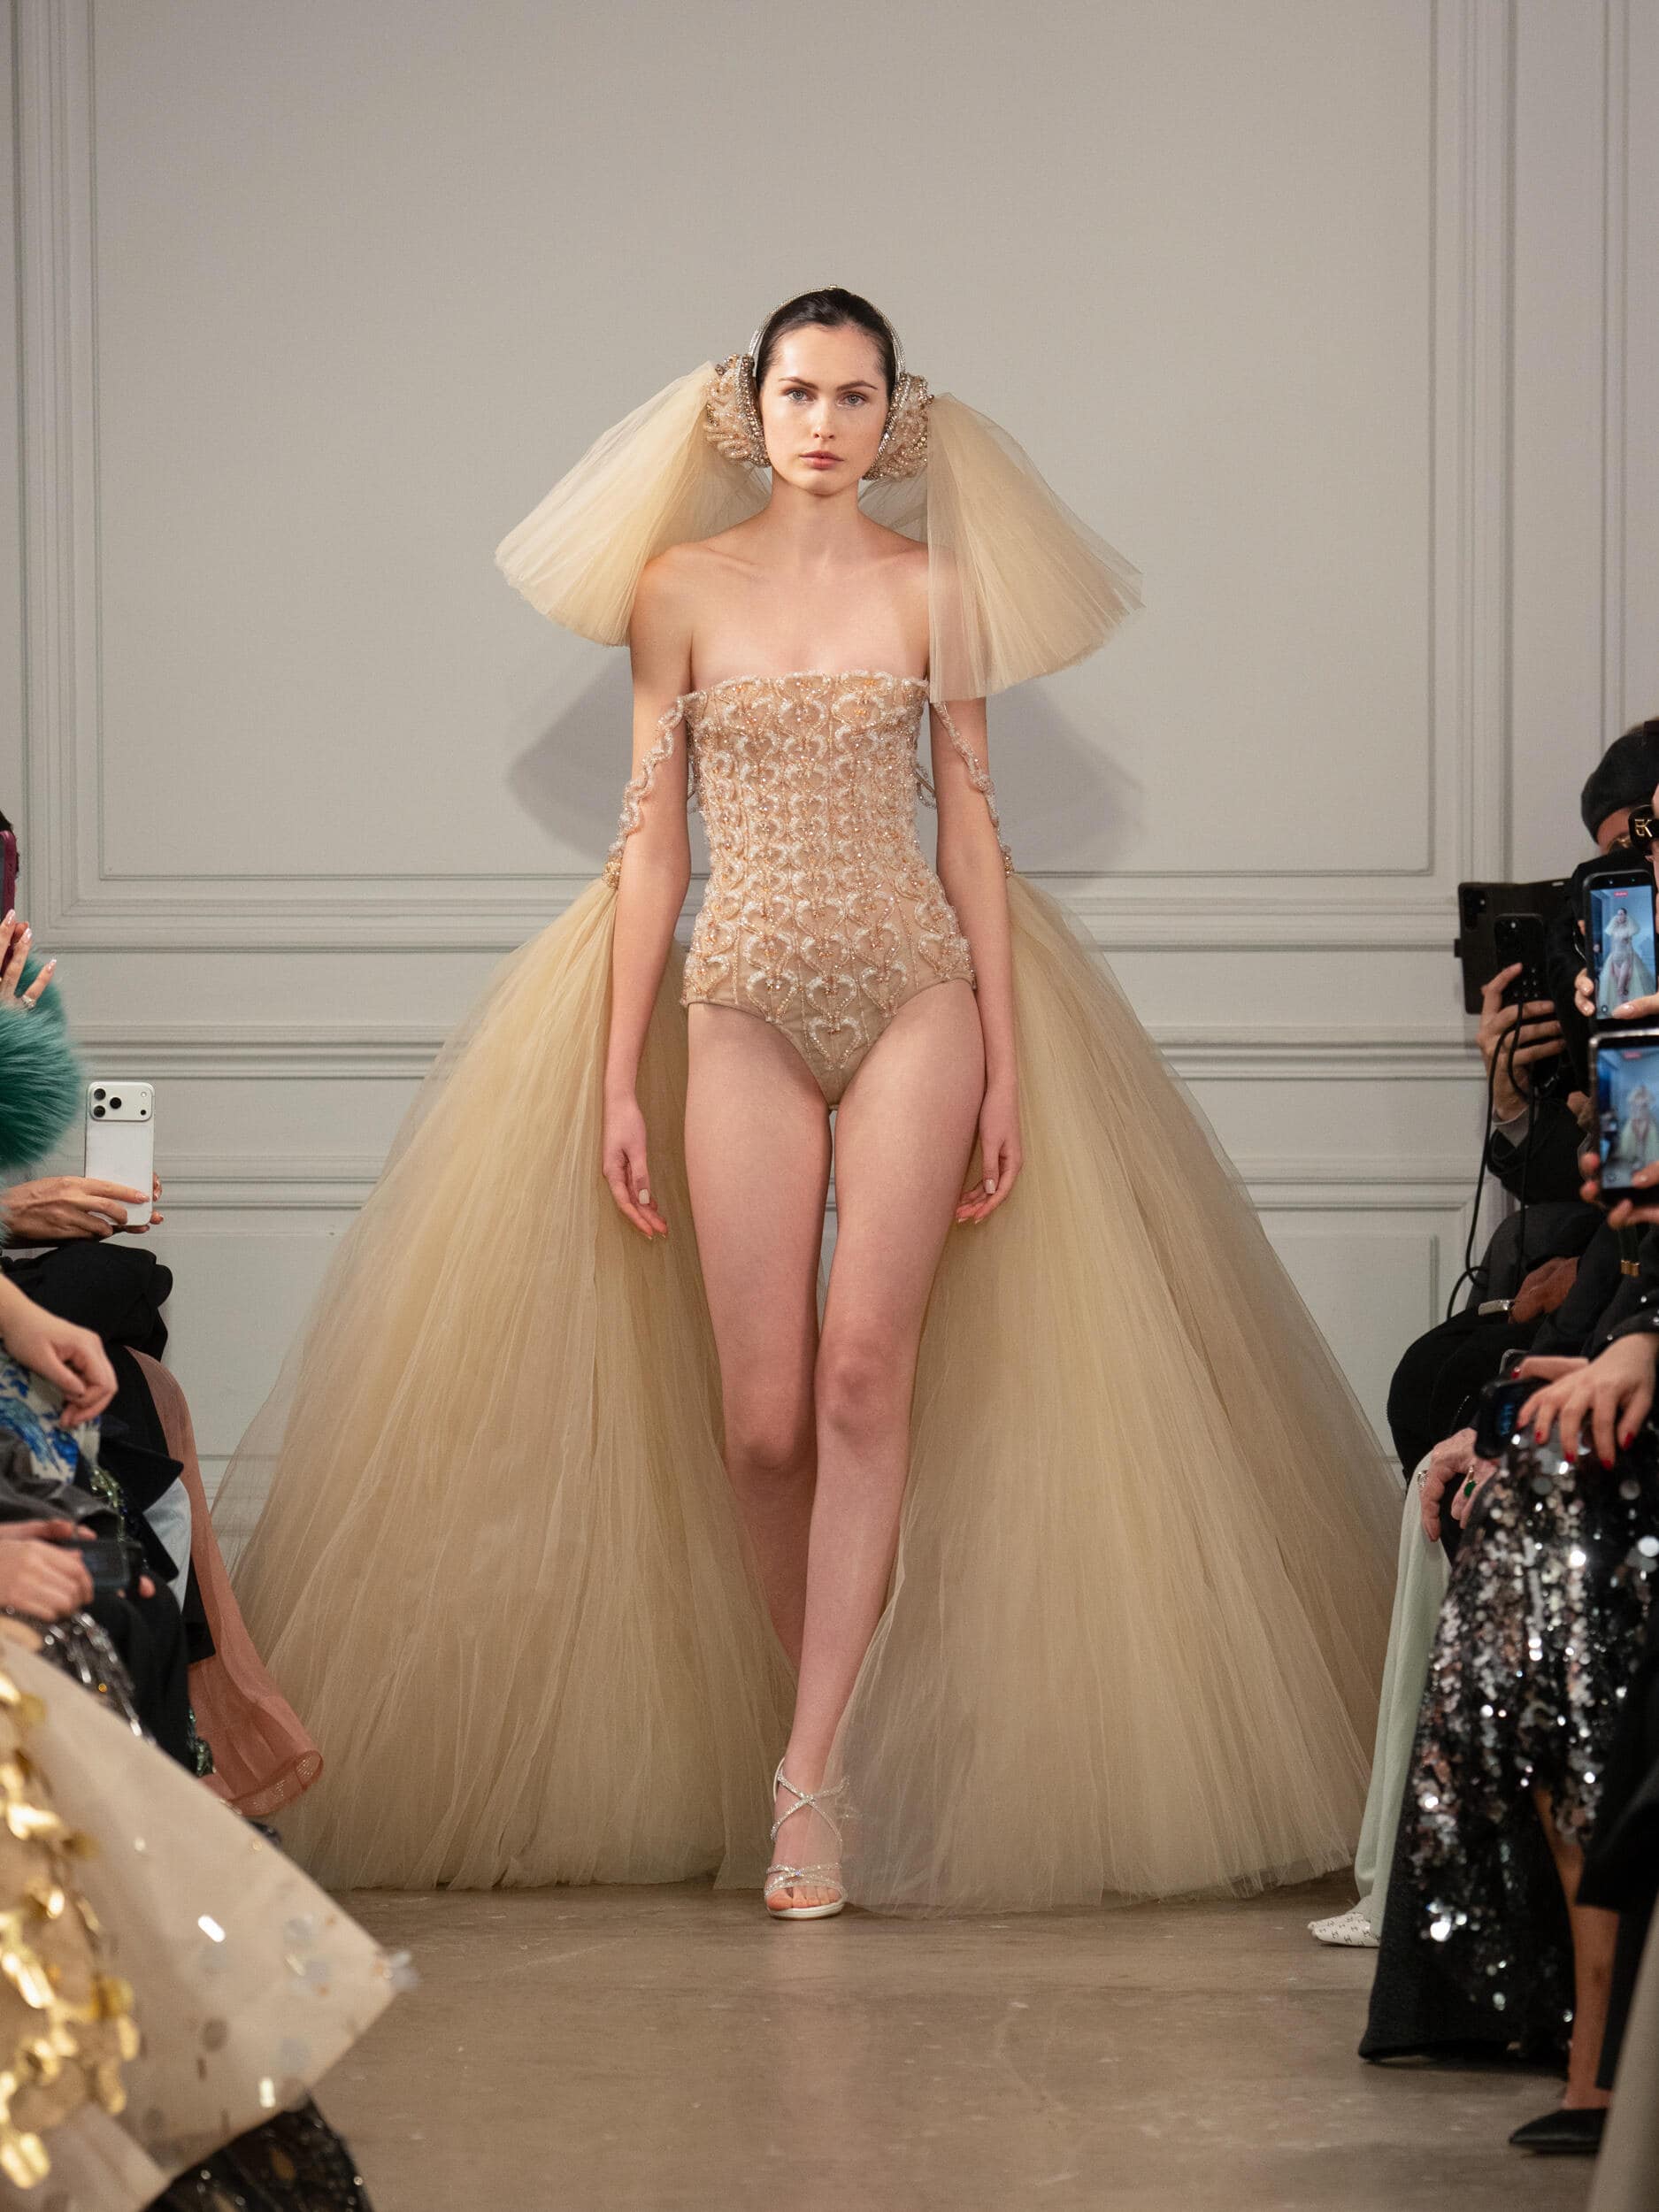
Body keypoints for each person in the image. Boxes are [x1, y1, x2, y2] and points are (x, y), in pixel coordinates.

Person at [217, 287, 1400, 1917]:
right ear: (749, 409)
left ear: (894, 415)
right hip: (740, 1000)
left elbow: (973, 835)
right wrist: (616, 1072)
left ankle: (812, 1777)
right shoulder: (678, 591)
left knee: (862, 1375)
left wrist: (1007, 1055)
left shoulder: (935, 591)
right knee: (762, 1418)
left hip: (916, 991)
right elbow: (651, 844)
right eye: (799, 392)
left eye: (854, 395)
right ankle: (831, 1725)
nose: (825, 422)